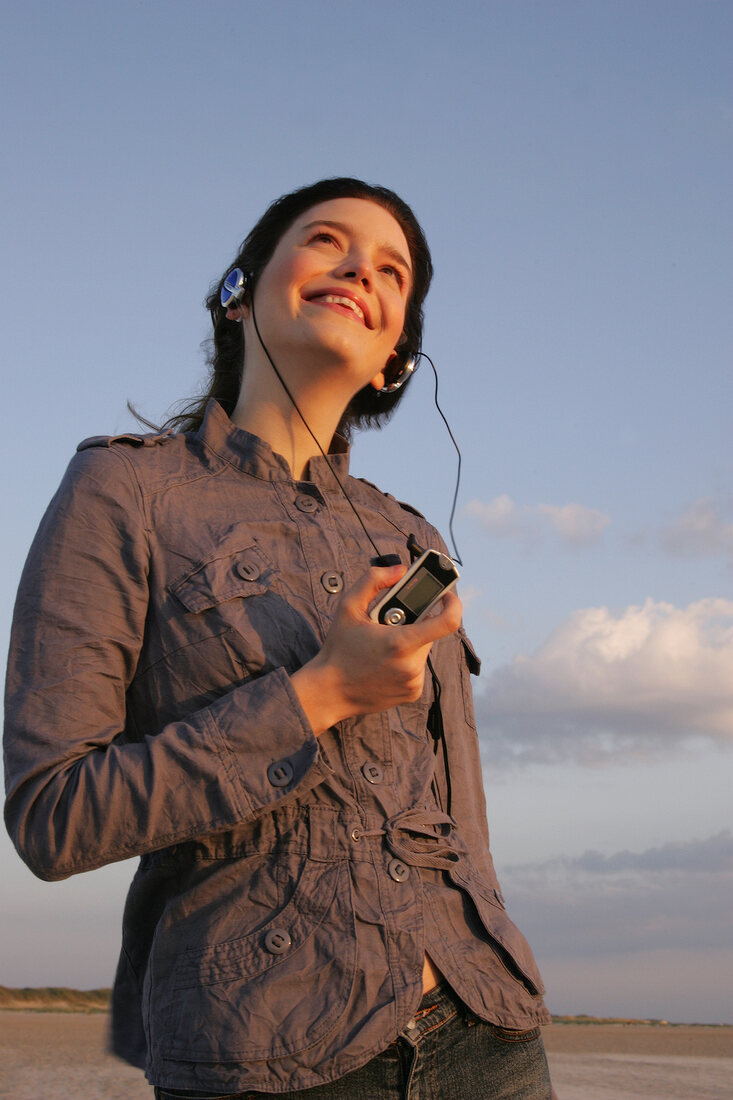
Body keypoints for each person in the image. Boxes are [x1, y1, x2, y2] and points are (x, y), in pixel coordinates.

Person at [4, 178, 554, 1099]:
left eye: (392, 272)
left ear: (395, 358)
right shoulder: (120, 492)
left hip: (487, 1031)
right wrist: (319, 694)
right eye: (327, 241)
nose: (358, 270)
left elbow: (463, 823)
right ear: (240, 289)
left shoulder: (415, 540)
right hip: (260, 1050)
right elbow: (52, 817)